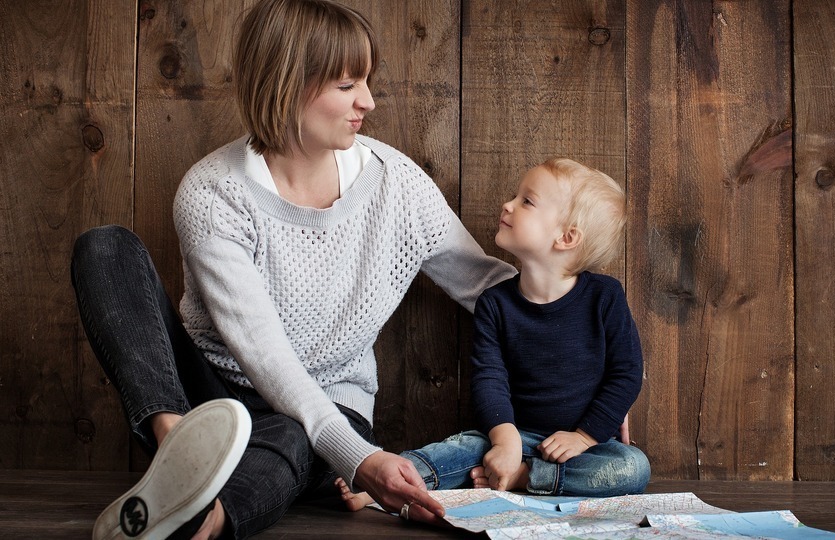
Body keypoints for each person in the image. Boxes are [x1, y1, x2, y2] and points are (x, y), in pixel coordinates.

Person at [71, 0, 516, 538]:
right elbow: (262, 352)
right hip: (209, 395)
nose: (368, 102)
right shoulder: (213, 193)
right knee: (104, 248)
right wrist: (365, 462)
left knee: (289, 435)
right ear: (287, 84)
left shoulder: (396, 185)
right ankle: (179, 453)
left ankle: (201, 519)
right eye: (348, 85)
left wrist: (594, 354)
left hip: (331, 408)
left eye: (366, 82)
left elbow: (488, 286)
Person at [339, 158, 649, 510]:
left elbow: (625, 373)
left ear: (566, 237)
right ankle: (386, 482)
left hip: (583, 447)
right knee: (459, 449)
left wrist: (585, 436)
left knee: (632, 468)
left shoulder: (604, 297)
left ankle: (525, 478)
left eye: (526, 201)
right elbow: (489, 378)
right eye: (516, 196)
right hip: (514, 433)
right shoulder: (496, 304)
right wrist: (504, 441)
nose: (508, 204)